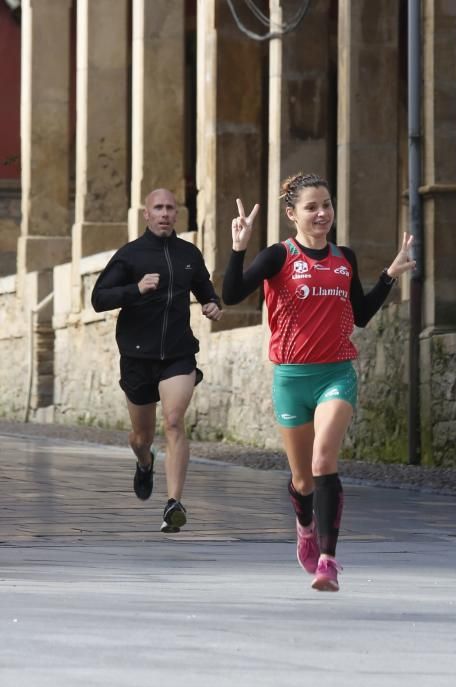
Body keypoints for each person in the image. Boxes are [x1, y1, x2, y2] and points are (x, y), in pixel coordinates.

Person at [222, 173, 414, 592]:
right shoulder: (278, 256)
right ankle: (305, 525)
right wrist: (239, 248)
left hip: (336, 374)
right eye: (312, 207)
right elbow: (232, 293)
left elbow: (360, 314)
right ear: (292, 214)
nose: (322, 213)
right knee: (303, 480)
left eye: (326, 205)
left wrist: (389, 275)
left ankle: (328, 560)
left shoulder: (345, 257)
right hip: (291, 378)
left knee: (324, 461)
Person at [91, 188, 223, 534]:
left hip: (178, 354)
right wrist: (135, 289)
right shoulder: (130, 255)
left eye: (170, 208)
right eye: (158, 208)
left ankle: (174, 504)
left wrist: (212, 304)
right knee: (141, 436)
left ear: (176, 215)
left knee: (174, 421)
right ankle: (145, 462)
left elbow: (206, 291)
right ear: (146, 214)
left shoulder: (189, 254)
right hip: (137, 357)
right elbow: (98, 298)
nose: (165, 213)